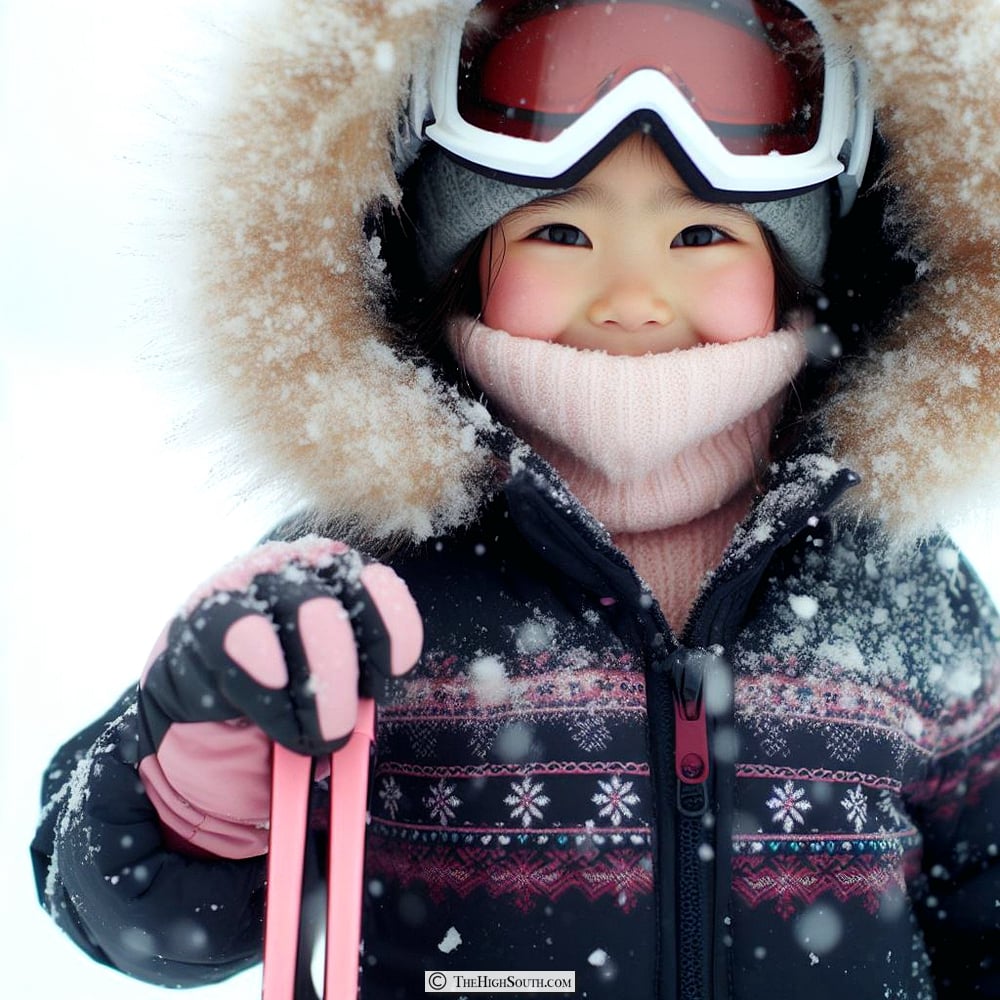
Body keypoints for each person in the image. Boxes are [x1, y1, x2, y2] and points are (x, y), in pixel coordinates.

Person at [31, 1, 1000, 998]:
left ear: (793, 273)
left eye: (702, 231)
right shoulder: (363, 579)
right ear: (465, 269)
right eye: (564, 231)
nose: (632, 294)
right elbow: (141, 915)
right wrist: (207, 762)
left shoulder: (896, 579)